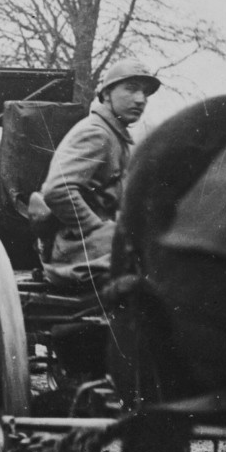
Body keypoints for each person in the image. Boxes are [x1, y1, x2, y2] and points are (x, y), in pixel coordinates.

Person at [34, 58, 160, 286]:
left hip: (96, 244)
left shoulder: (114, 135)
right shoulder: (97, 133)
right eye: (131, 89)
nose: (140, 99)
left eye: (145, 93)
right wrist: (95, 228)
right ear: (107, 94)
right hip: (77, 250)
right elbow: (57, 189)